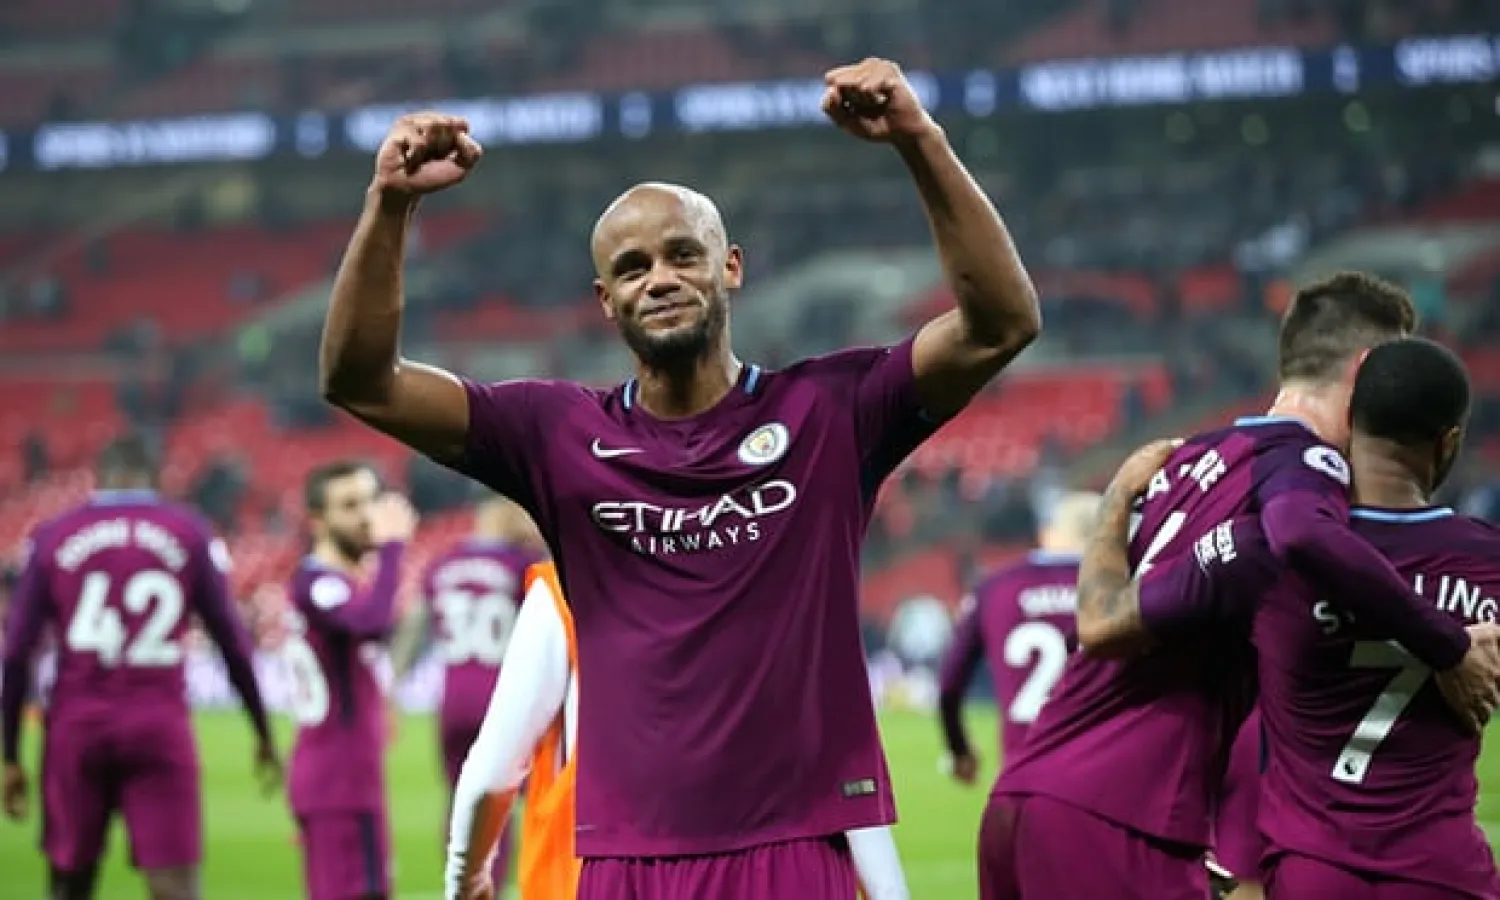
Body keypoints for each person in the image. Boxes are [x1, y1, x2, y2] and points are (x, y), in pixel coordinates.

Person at [320, 56, 1041, 897]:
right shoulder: (556, 433)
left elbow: (1001, 324)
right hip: (628, 859)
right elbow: (360, 381)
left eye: (680, 255)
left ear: (729, 266)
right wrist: (390, 205)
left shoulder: (829, 411)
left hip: (795, 847)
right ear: (604, 300)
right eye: (631, 268)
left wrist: (920, 140)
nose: (658, 278)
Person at [978, 273, 1500, 900]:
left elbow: (1103, 623)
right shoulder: (1305, 473)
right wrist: (1447, 644)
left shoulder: (1198, 457)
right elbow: (1297, 535)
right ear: (1364, 373)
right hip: (1120, 815)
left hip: (1032, 796)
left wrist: (1117, 496)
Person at [444, 561, 912, 900]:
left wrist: (466, 882)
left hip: (596, 877)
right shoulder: (784, 580)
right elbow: (840, 772)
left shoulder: (566, 588)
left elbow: (491, 773)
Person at [0, 434, 280, 900]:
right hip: (159, 723)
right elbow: (232, 641)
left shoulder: (53, 535)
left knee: (70, 879)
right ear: (157, 478)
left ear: (99, 477)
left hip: (77, 724)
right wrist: (263, 733)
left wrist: (10, 754)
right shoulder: (187, 531)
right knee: (175, 885)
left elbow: (16, 652)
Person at [390, 493, 543, 889]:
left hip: (454, 698)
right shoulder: (521, 563)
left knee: (464, 799)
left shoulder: (444, 563)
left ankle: (462, 886)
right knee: (528, 793)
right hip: (509, 696)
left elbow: (413, 628)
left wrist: (390, 688)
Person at [282, 461, 417, 900]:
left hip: (348, 779)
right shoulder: (317, 583)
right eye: (349, 505)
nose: (366, 515)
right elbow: (370, 623)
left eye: (370, 501)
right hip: (338, 783)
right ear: (317, 519)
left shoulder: (338, 583)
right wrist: (394, 547)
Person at [936, 491, 1100, 783]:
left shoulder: (996, 587)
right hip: (1100, 773)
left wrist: (959, 750)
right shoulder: (1123, 588)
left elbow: (949, 686)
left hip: (1022, 773)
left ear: (1048, 534)